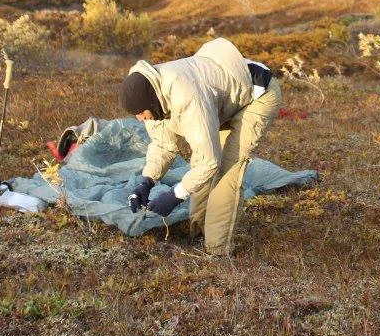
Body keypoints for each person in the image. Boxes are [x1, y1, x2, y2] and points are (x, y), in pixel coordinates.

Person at [119, 37, 280, 256]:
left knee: (227, 170)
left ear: (150, 101)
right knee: (201, 162)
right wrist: (146, 182)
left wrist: (176, 195)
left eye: (141, 113)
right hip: (220, 97)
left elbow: (209, 162)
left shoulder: (187, 97)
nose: (140, 119)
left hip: (257, 94)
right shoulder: (153, 94)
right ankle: (197, 231)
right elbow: (163, 144)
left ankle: (216, 250)